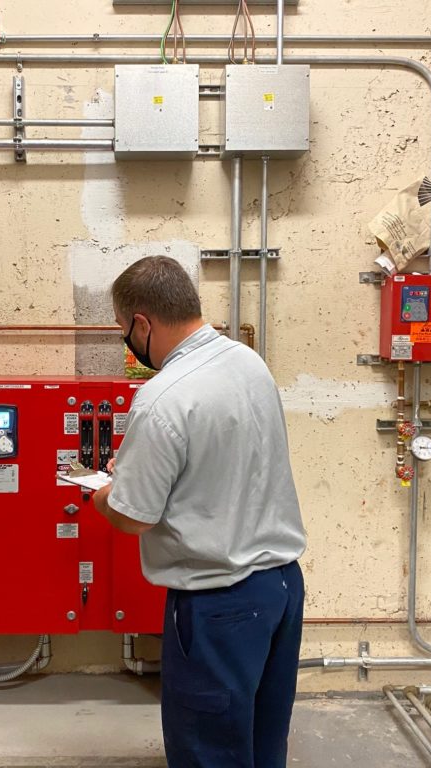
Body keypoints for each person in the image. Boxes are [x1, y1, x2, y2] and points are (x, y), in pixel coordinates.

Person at [93, 256, 307, 768]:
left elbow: (135, 515)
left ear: (142, 323)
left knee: (209, 750)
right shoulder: (247, 361)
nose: (127, 340)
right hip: (280, 588)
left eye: (125, 330)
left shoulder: (162, 397)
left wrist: (103, 492)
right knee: (260, 740)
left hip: (219, 602)